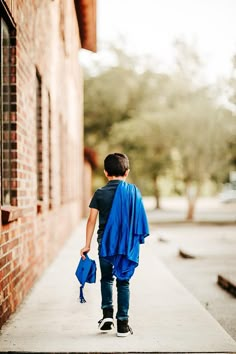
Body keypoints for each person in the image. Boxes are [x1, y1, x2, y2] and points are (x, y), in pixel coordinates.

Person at [80, 153, 149, 337]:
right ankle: (123, 324)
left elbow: (91, 221)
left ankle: (107, 316)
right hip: (126, 245)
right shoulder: (134, 193)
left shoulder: (100, 193)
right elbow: (140, 221)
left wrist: (86, 244)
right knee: (123, 283)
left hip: (105, 245)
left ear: (105, 172)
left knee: (107, 279)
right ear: (127, 172)